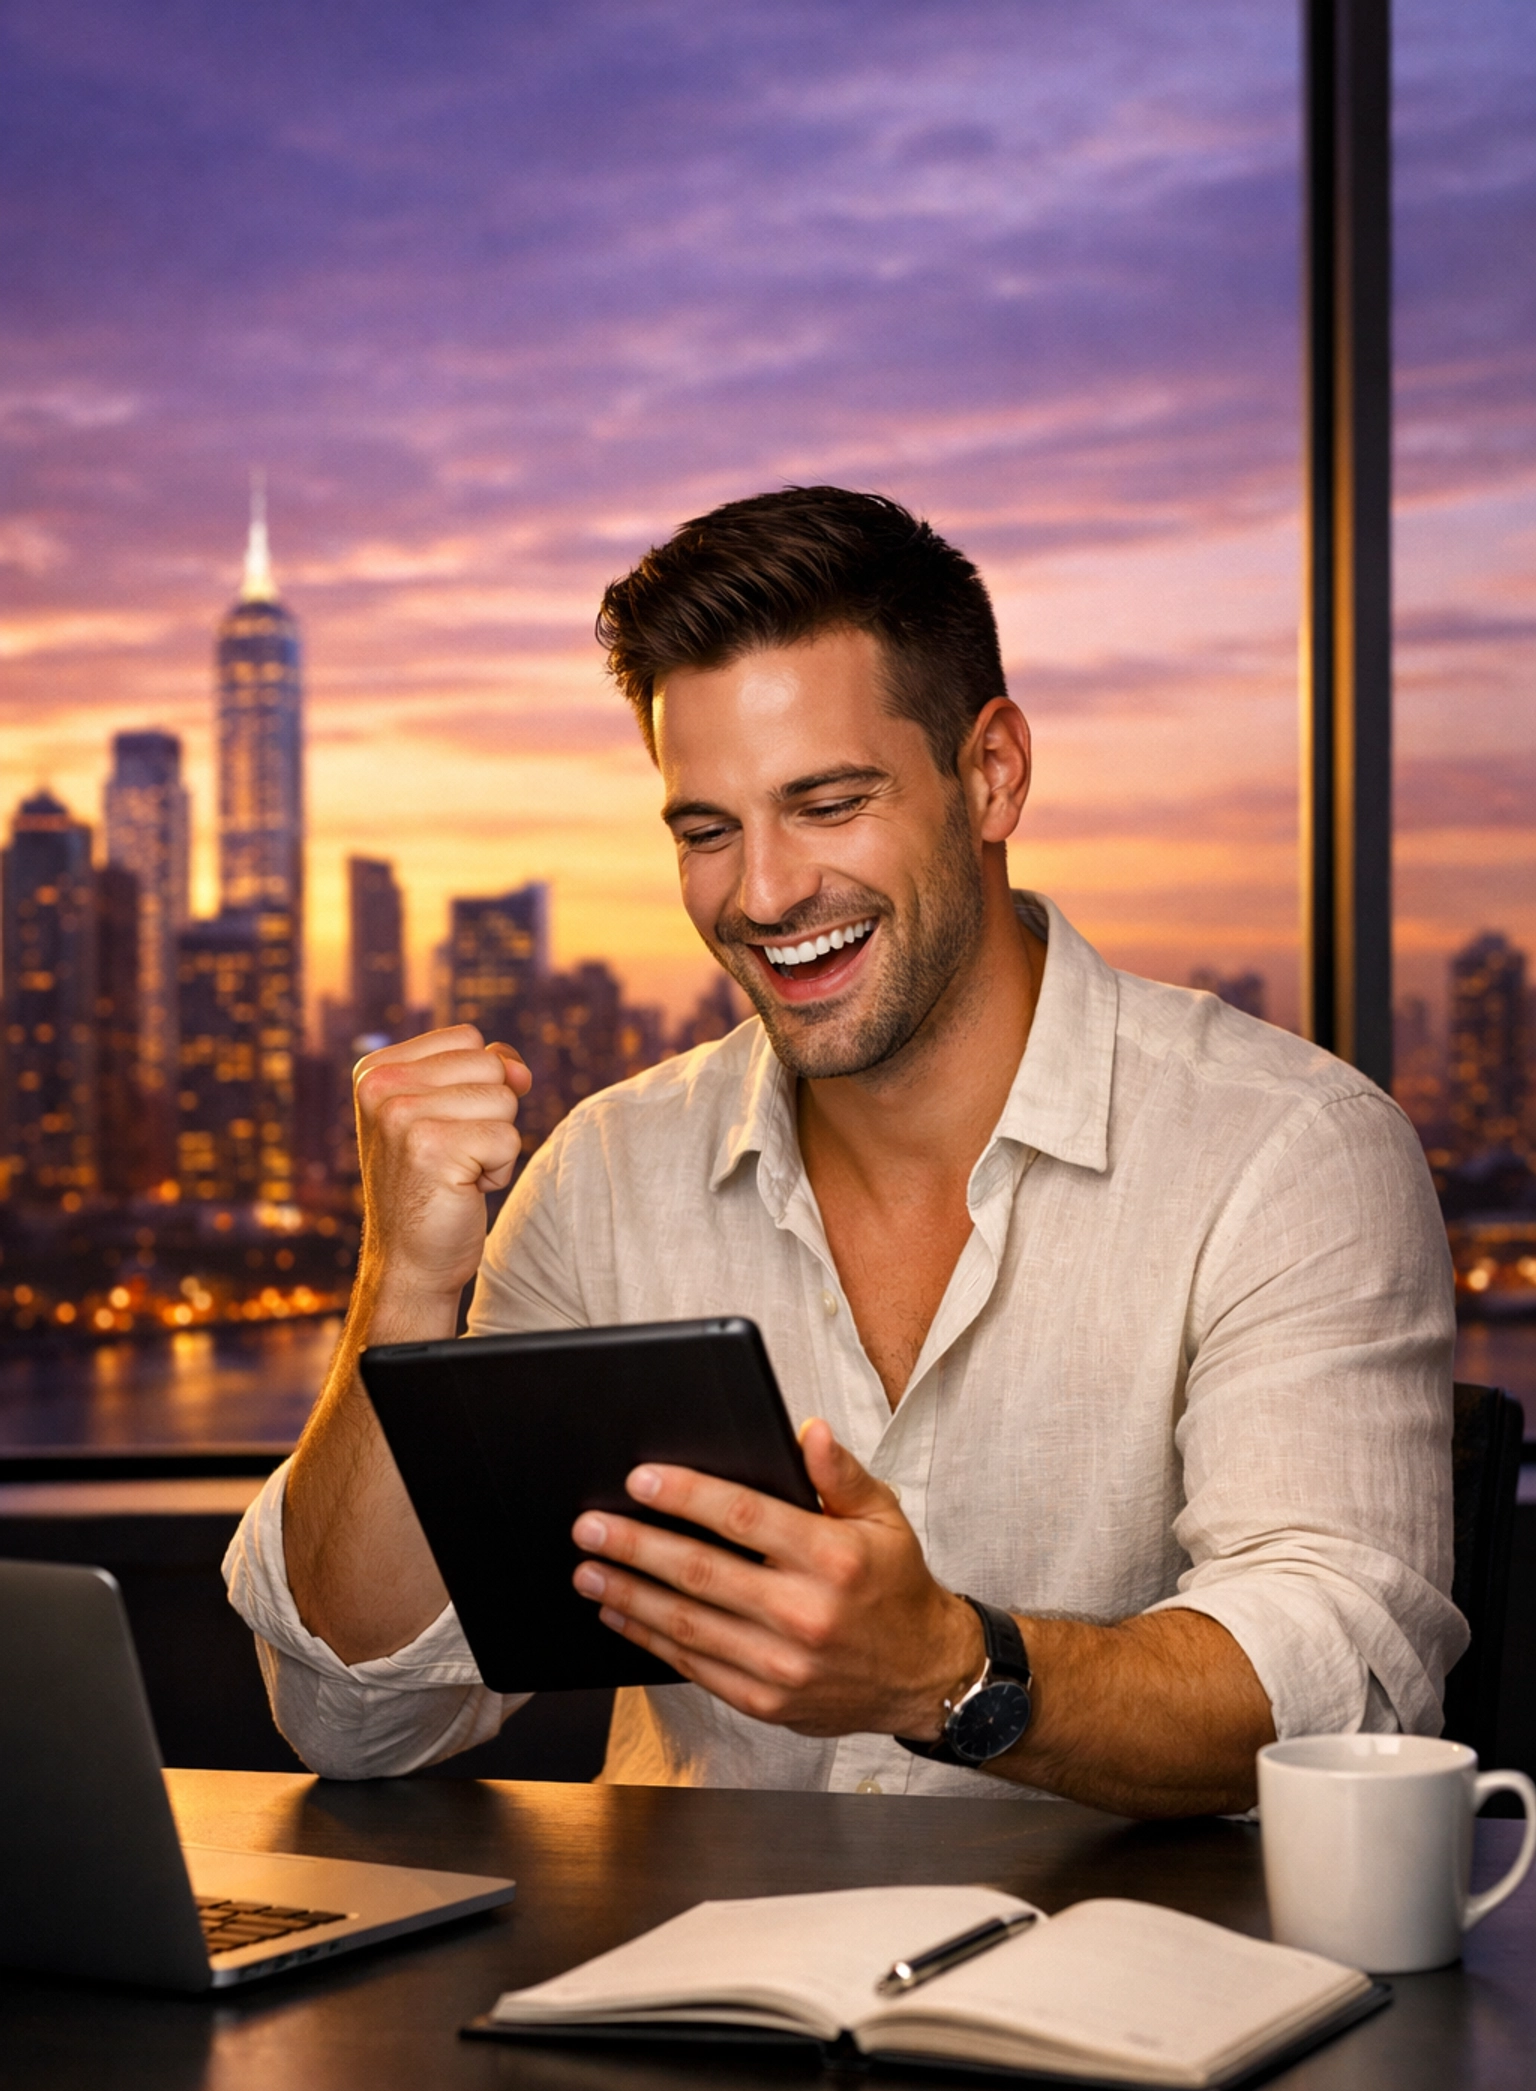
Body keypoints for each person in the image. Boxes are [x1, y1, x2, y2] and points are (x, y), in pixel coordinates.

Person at [225, 486, 1461, 1811]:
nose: (761, 895)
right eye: (708, 830)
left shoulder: (1287, 1153)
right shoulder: (602, 1180)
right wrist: (403, 1288)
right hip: (687, 1998)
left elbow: (1346, 1686)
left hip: (1136, 1994)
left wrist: (945, 1671)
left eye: (827, 804)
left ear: (992, 774)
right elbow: (360, 1723)